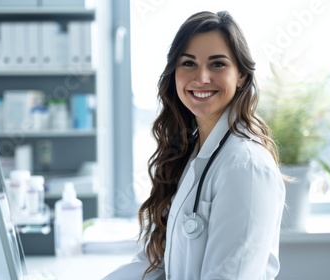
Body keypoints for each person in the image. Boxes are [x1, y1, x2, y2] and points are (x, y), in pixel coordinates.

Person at [103, 10, 285, 280]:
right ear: (174, 74)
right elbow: (151, 263)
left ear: (241, 76)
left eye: (217, 64)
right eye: (188, 63)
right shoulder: (189, 154)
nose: (201, 78)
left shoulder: (244, 167)